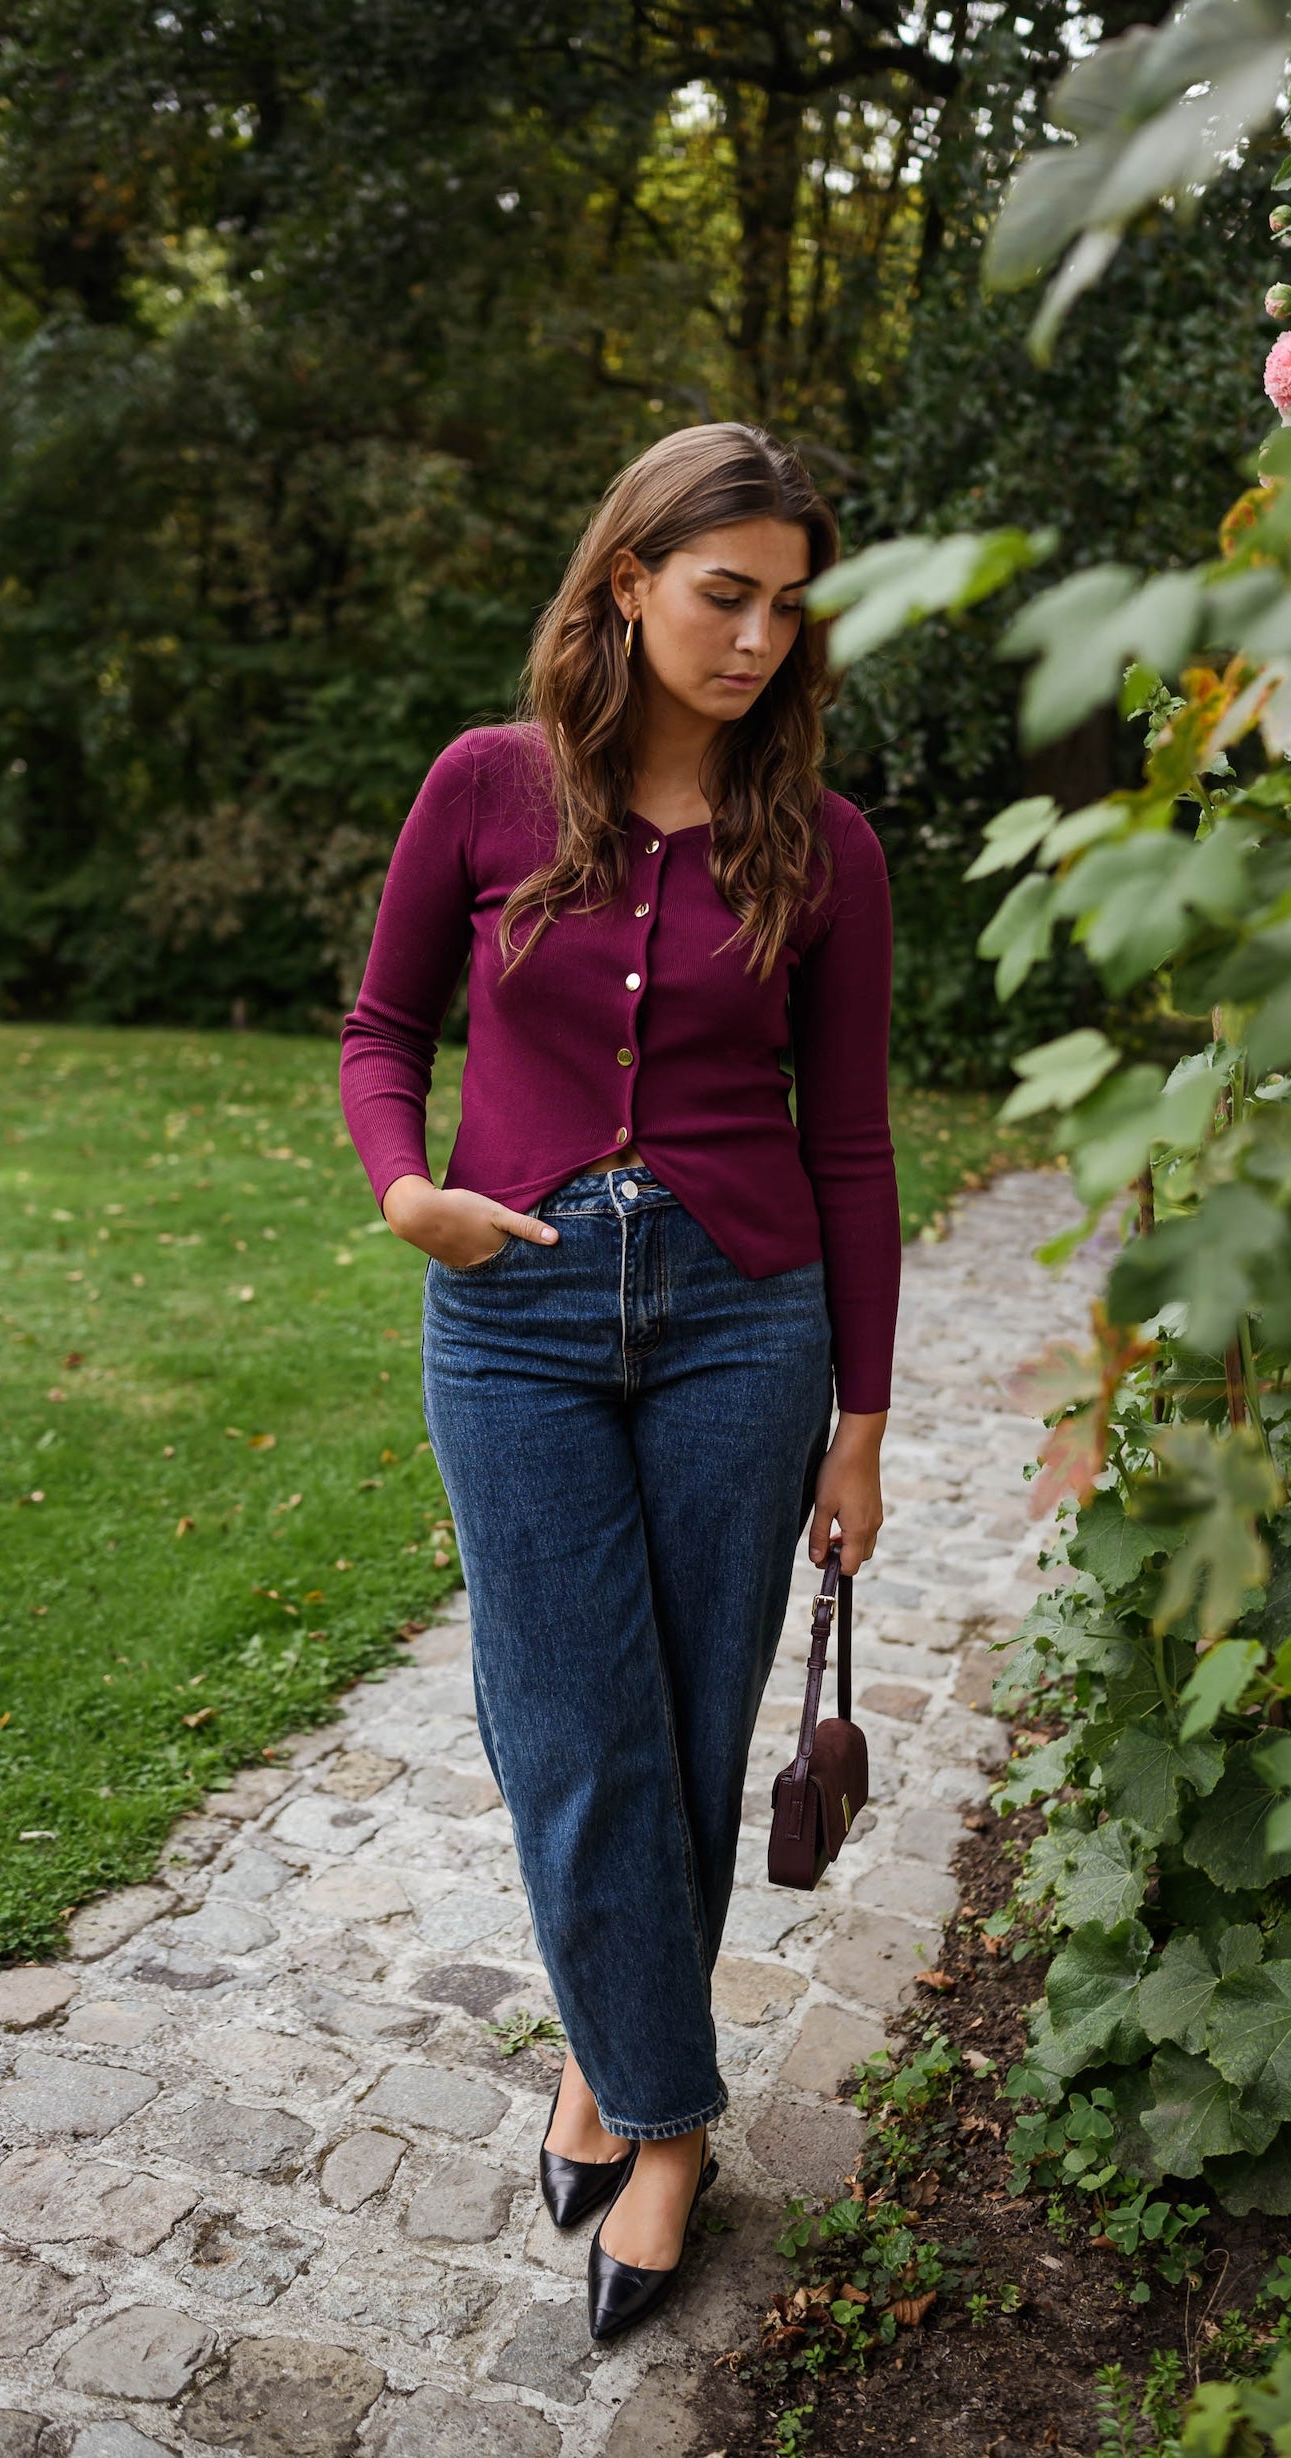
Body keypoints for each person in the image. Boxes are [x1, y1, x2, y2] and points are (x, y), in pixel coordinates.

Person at [338, 420, 899, 2341]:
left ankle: (614, 2083)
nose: (756, 639)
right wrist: (407, 1192)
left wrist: (863, 1422)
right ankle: (675, 2112)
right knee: (571, 1723)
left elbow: (851, 1147)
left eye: (787, 609)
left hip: (749, 1319)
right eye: (723, 595)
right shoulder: (485, 786)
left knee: (687, 1722)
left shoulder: (824, 845)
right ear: (629, 581)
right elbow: (382, 1025)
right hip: (515, 1311)